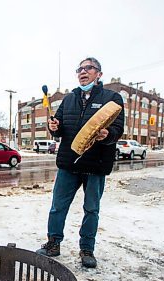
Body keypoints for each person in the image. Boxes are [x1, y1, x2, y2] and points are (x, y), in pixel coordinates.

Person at [36, 57, 124, 268]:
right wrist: (54, 127)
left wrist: (107, 134)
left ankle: (87, 249)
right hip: (69, 163)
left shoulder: (112, 98)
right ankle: (53, 243)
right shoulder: (69, 99)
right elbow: (59, 128)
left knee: (91, 209)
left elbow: (118, 129)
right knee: (58, 207)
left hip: (96, 164)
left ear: (99, 74)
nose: (83, 72)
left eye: (88, 68)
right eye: (80, 69)